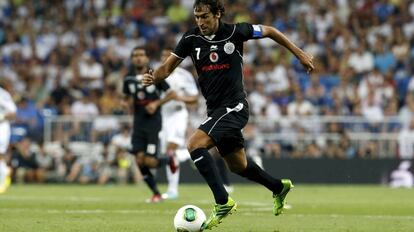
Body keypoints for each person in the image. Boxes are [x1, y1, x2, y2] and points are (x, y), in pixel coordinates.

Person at [142, 0, 314, 229]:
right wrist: (155, 77)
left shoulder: (236, 32)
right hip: (215, 110)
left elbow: (270, 31)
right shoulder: (191, 39)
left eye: (205, 17)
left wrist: (299, 53)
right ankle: (278, 187)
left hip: (235, 106)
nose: (200, 22)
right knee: (238, 165)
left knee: (194, 144)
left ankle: (222, 202)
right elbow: (167, 68)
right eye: (197, 17)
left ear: (218, 14)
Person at [122, 46, 178, 203]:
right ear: (132, 59)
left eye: (141, 55)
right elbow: (126, 98)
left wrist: (156, 103)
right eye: (135, 55)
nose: (138, 58)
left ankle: (169, 160)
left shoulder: (155, 75)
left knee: (150, 162)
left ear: (146, 58)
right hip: (138, 124)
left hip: (153, 123)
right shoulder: (128, 79)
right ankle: (156, 194)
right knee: (139, 160)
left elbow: (172, 94)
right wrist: (125, 104)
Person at [157, 47, 200, 200]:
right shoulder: (157, 74)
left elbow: (194, 98)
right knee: (167, 153)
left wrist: (179, 98)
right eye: (163, 56)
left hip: (178, 114)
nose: (165, 59)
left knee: (170, 150)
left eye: (168, 56)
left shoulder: (184, 76)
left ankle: (172, 190)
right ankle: (186, 154)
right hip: (162, 116)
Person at [0, 81, 17, 193]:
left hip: (1, 127)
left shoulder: (2, 94)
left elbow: (13, 113)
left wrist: (1, 116)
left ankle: (2, 180)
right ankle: (5, 171)